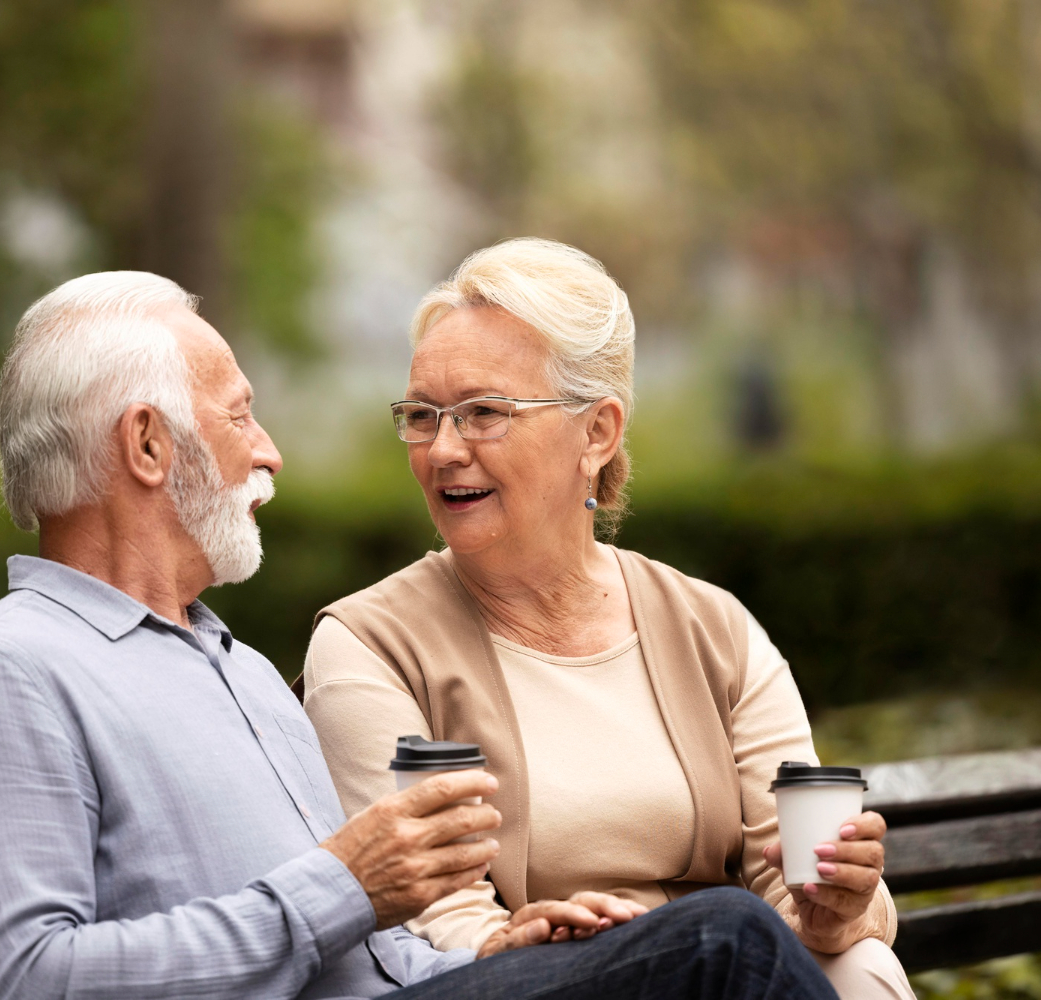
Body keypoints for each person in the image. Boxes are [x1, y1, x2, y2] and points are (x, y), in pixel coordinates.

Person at [0, 270, 841, 1000]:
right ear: (147, 445)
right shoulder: (10, 670)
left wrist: (506, 951)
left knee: (701, 949)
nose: (269, 450)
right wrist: (339, 888)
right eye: (239, 415)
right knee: (725, 942)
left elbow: (368, 952)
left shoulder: (243, 672)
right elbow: (23, 981)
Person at [303, 239, 915, 999]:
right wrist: (508, 939)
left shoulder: (711, 627)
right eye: (422, 416)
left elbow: (788, 876)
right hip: (538, 983)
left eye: (483, 413)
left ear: (597, 432)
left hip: (723, 971)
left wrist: (834, 909)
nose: (443, 449)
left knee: (860, 965)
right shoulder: (371, 645)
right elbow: (432, 911)